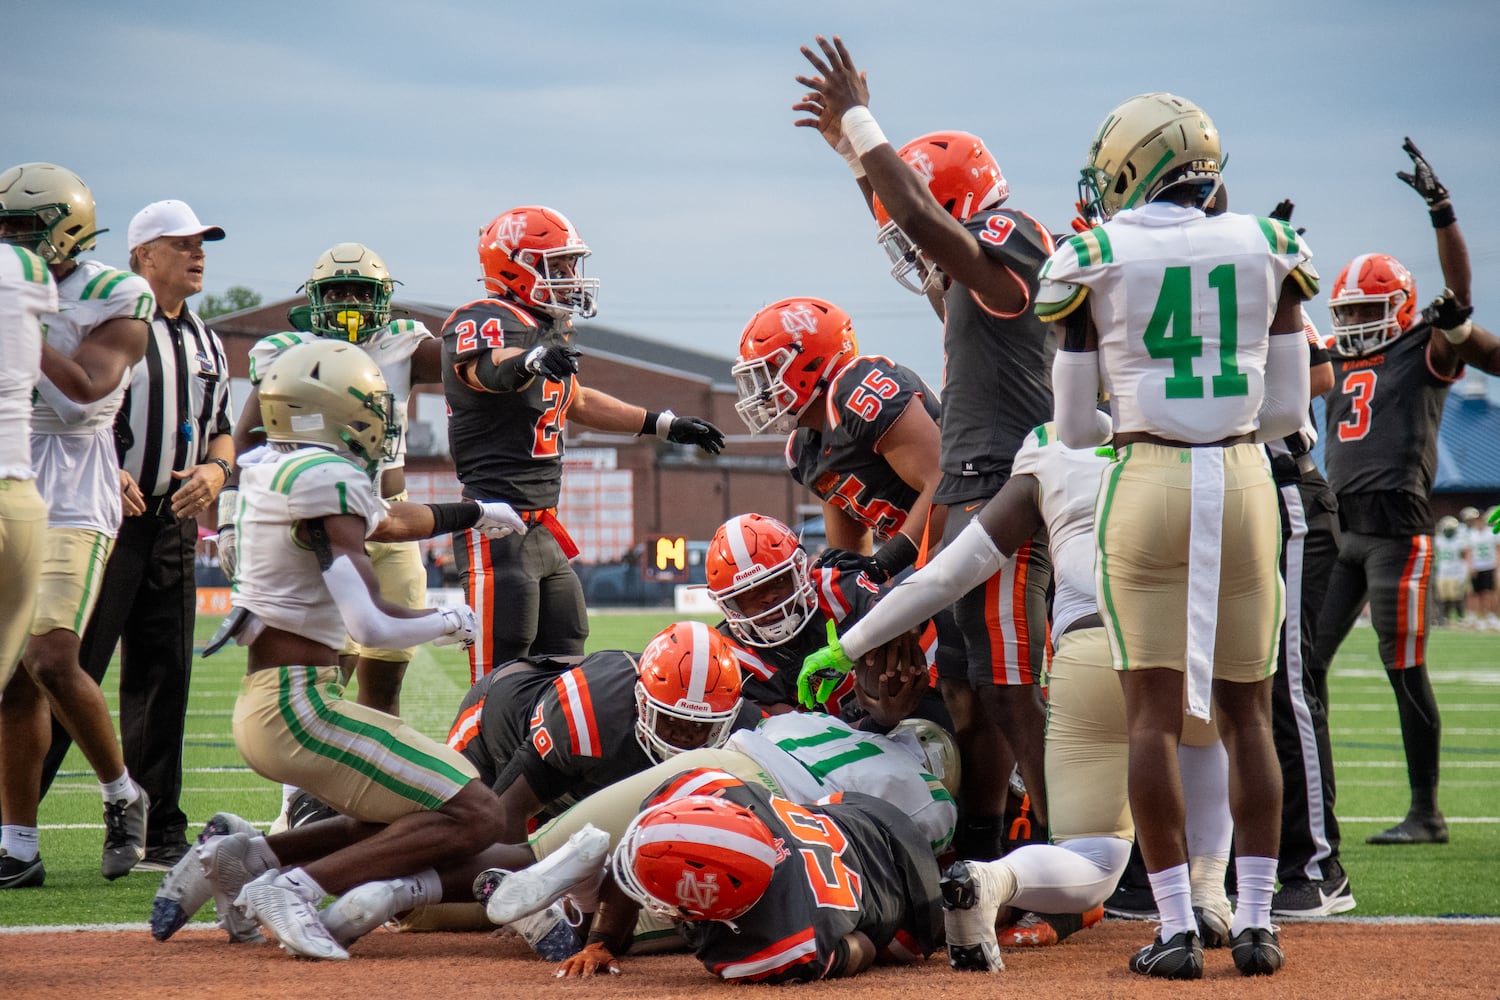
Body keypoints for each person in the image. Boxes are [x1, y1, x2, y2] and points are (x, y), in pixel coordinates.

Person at [1032, 93, 1318, 978]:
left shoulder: (1092, 255)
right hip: (1243, 482)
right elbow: (1285, 412)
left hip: (1148, 476)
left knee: (1152, 719)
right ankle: (1259, 921)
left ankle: (1176, 929)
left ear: (1131, 167)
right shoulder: (1271, 246)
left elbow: (1075, 429)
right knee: (1247, 714)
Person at [800, 418, 1234, 967]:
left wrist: (851, 644)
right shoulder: (1186, 429)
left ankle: (993, 878)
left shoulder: (1047, 447)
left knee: (1095, 856)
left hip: (1087, 651)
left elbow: (945, 575)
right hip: (1178, 638)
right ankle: (1210, 893)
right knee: (1204, 740)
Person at [146, 339, 526, 960]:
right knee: (477, 813)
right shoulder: (327, 477)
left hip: (273, 700)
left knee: (409, 817)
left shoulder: (276, 468)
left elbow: (390, 522)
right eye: (368, 405)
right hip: (302, 708)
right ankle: (295, 888)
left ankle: (248, 856)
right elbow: (371, 625)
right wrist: (447, 620)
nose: (379, 418)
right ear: (329, 409)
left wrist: (475, 512)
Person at [794, 36, 1055, 861]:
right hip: (969, 494)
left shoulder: (1011, 240)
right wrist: (854, 161)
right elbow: (906, 217)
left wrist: (863, 124)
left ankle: (1074, 848)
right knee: (966, 691)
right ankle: (982, 848)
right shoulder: (972, 288)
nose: (913, 255)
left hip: (1010, 489)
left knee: (1014, 694)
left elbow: (919, 219)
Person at [32, 200, 233, 873]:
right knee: (65, 668)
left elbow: (222, 425)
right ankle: (17, 817)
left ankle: (159, 832)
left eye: (202, 243)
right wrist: (108, 468)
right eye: (182, 244)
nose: (197, 254)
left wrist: (217, 467)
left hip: (171, 520)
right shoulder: (111, 316)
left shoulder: (204, 337)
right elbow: (79, 403)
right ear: (143, 254)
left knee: (164, 676)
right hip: (103, 513)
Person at [441, 205, 724, 681]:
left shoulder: (547, 331)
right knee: (499, 676)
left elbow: (578, 399)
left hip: (543, 526)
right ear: (515, 265)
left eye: (570, 265)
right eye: (558, 265)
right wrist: (529, 358)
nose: (570, 276)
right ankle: (476, 755)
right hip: (495, 524)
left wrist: (664, 424)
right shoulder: (485, 318)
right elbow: (485, 370)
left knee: (567, 652)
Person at [1313, 138, 1500, 846]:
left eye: (1367, 310)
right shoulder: (1339, 354)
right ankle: (1315, 804)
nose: (1354, 323)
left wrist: (1442, 212)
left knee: (1403, 668)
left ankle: (1427, 811)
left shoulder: (1426, 345)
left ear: (1399, 309)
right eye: (1347, 311)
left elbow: (1462, 301)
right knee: (1304, 667)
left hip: (1397, 527)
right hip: (1341, 527)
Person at [0, 162, 153, 887]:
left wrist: (22, 325)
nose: (12, 241)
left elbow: (83, 399)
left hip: (70, 489)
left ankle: (123, 795)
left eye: (25, 228)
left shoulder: (114, 294)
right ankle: (19, 845)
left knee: (54, 658)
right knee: (12, 682)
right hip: (8, 475)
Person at [230, 243, 442, 718]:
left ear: (383, 298)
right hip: (323, 518)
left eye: (360, 291)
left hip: (392, 516)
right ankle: (297, 795)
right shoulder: (287, 353)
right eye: (337, 291)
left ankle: (374, 786)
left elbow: (469, 367)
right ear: (315, 298)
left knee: (386, 680)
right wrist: (230, 516)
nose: (349, 303)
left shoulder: (403, 342)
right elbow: (244, 439)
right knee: (326, 675)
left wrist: (505, 332)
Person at [602, 774, 943, 983]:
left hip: (911, 910)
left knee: (894, 950)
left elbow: (864, 947)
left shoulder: (770, 951)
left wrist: (825, 928)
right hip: (862, 813)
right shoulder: (713, 791)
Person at [445, 620, 759, 843]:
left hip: (587, 773)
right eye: (671, 721)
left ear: (726, 719)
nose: (684, 737)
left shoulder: (744, 730)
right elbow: (506, 812)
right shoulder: (588, 716)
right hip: (496, 722)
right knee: (468, 834)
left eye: (700, 727)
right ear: (642, 703)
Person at [730, 296, 942, 583]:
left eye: (769, 374)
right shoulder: (802, 451)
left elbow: (945, 484)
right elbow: (851, 555)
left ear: (808, 361)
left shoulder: (858, 388)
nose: (762, 392)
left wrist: (887, 565)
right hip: (935, 557)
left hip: (976, 533)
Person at [705, 511, 947, 727]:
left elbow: (904, 618)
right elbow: (792, 740)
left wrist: (855, 648)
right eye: (748, 593)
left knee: (900, 656)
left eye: (778, 580)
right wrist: (872, 724)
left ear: (800, 570)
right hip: (811, 755)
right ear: (729, 605)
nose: (768, 597)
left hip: (894, 725)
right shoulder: (730, 659)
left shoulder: (835, 588)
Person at [0, 247, 54, 847]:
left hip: (26, 485)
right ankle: (119, 789)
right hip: (20, 487)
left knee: (27, 674)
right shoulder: (30, 273)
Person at [1461, 506, 1498, 627]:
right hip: (1477, 567)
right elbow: (1468, 552)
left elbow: (1497, 549)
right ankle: (1480, 618)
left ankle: (1492, 616)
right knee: (1477, 593)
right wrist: (1470, 567)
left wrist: (1497, 564)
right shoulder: (1471, 534)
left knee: (1490, 593)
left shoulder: (1491, 533)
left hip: (1489, 565)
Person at [1432, 516, 1469, 626]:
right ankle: (1444, 618)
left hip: (1455, 572)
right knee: (1443, 597)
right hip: (1442, 572)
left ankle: (1460, 617)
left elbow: (1464, 556)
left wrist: (1463, 571)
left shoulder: (1459, 541)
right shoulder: (1439, 540)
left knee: (1456, 597)